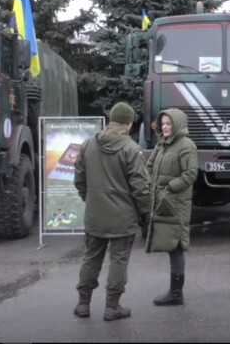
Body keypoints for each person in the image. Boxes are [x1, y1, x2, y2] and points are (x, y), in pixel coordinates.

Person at [73, 101, 151, 321]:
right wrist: (145, 213)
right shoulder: (131, 149)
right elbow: (141, 188)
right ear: (129, 123)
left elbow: (79, 179)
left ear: (111, 120)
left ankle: (83, 304)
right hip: (123, 217)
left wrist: (89, 199)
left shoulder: (88, 144)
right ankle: (112, 307)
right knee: (118, 261)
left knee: (91, 258)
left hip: (95, 215)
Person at [145, 108, 198, 306]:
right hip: (163, 202)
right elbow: (149, 166)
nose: (165, 127)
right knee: (171, 246)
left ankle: (176, 293)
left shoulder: (186, 145)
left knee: (175, 246)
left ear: (177, 124)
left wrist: (168, 187)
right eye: (163, 124)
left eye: (169, 123)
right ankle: (175, 293)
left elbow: (191, 174)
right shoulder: (162, 144)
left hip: (176, 204)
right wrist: (151, 183)